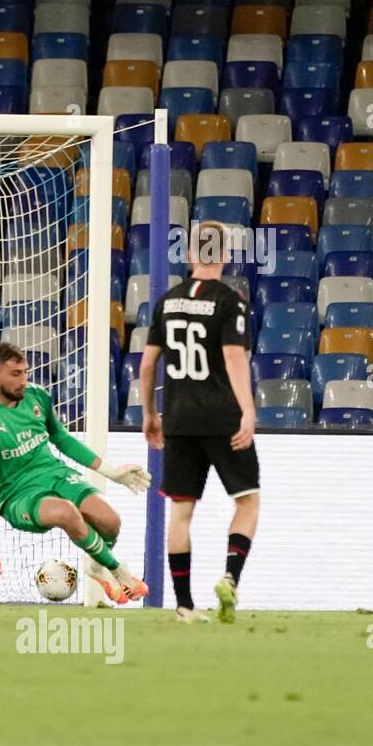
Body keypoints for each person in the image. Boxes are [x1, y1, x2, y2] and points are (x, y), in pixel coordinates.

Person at [0, 342, 152, 603]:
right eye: (15, 374)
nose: (23, 381)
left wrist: (112, 472)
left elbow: (62, 439)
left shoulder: (37, 396)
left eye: (25, 372)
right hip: (16, 494)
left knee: (110, 521)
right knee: (66, 513)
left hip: (54, 474)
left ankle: (97, 566)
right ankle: (119, 571)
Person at [140, 220, 260, 624]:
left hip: (177, 418)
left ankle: (183, 606)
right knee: (246, 501)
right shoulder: (230, 300)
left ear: (190, 255)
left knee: (181, 512)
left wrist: (149, 414)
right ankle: (230, 576)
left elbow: (147, 365)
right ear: (224, 256)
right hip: (222, 416)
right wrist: (248, 409)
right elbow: (233, 357)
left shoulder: (167, 301)